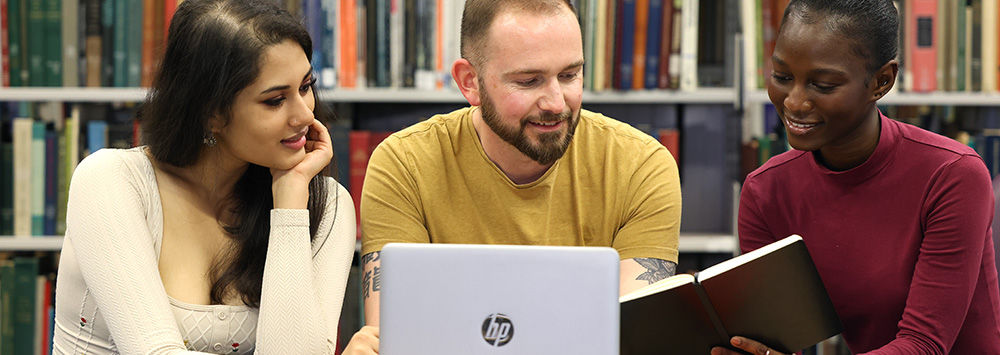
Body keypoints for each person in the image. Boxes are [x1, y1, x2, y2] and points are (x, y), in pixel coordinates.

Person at [52, 0, 377, 353]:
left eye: (305, 86)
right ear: (211, 113)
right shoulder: (110, 182)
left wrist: (290, 199)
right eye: (274, 100)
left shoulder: (324, 204)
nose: (304, 114)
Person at [359, 0, 682, 329]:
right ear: (470, 81)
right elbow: (395, 335)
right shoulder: (403, 165)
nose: (557, 103)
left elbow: (633, 337)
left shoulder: (641, 166)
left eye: (570, 75)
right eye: (529, 81)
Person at [723, 0, 1000, 354]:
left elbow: (924, 345)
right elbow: (771, 339)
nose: (793, 102)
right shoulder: (765, 191)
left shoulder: (953, 175)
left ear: (881, 81)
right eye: (782, 77)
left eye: (822, 85)